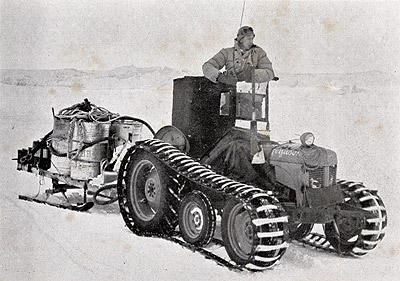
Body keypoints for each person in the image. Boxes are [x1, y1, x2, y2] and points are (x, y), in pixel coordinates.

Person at [202, 26, 275, 85]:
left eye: (252, 39)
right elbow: (207, 66)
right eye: (248, 39)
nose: (251, 42)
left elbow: (269, 72)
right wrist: (220, 77)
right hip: (230, 93)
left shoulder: (259, 53)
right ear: (241, 39)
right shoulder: (227, 52)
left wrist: (251, 75)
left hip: (252, 95)